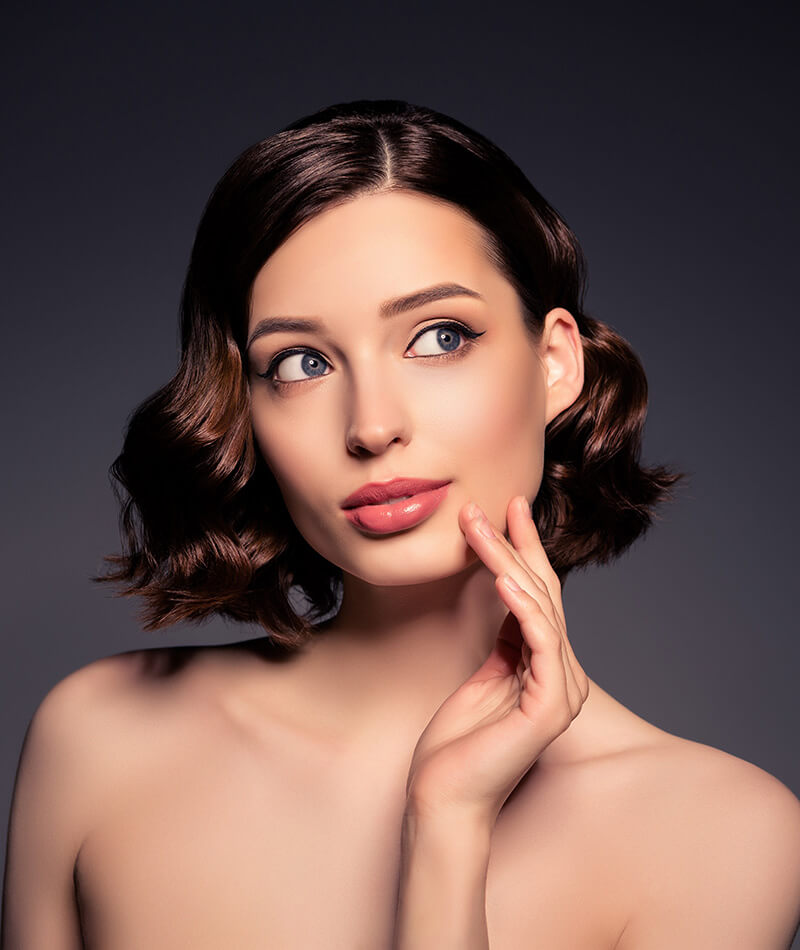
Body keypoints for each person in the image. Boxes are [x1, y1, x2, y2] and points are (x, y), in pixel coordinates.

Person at [3, 98, 799, 950]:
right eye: (301, 363)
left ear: (555, 362)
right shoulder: (100, 738)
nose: (372, 424)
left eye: (439, 336)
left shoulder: (725, 837)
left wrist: (447, 831)